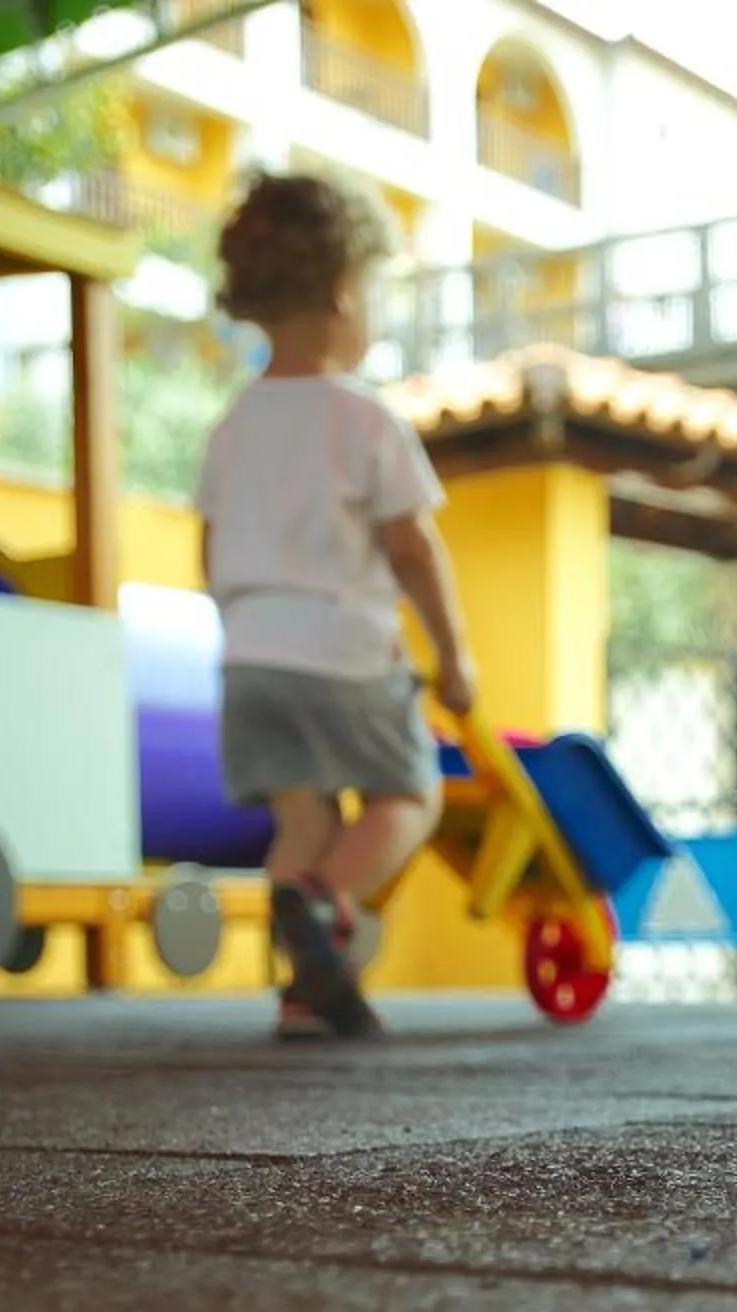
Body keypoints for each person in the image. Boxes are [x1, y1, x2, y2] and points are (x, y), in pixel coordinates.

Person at [198, 170, 475, 1041]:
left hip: (250, 661)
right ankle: (326, 905)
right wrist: (453, 657)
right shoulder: (364, 419)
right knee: (408, 795)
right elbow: (411, 547)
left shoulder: (232, 425)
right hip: (343, 654)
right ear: (346, 295)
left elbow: (206, 553)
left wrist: (247, 630)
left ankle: (303, 986)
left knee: (304, 816)